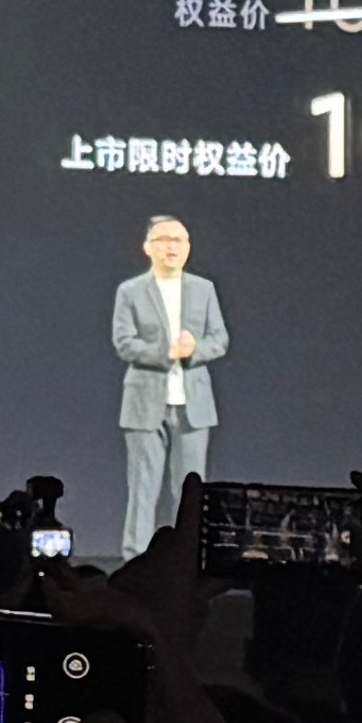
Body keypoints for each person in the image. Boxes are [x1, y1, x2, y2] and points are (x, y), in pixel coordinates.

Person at [107, 214, 229, 545]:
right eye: (164, 240)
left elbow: (219, 339)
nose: (172, 247)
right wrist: (166, 353)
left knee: (190, 493)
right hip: (145, 403)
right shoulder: (131, 291)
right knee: (142, 489)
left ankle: (186, 557)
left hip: (194, 405)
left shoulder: (204, 289)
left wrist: (193, 350)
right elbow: (123, 342)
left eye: (179, 240)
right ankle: (136, 558)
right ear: (148, 247)